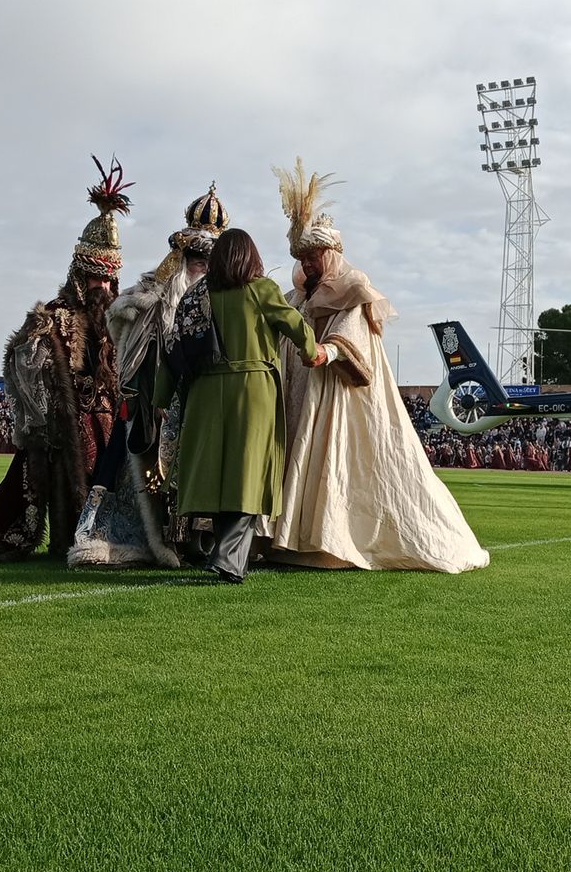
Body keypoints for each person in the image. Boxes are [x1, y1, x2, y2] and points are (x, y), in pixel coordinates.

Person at [269, 158, 491, 573]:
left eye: (314, 255)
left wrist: (329, 352)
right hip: (301, 391)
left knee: (342, 458)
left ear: (330, 253)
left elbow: (352, 335)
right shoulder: (297, 295)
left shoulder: (353, 287)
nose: (308, 264)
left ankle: (329, 541)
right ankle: (292, 541)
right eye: (303, 258)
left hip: (338, 393)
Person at [0, 157, 133, 562]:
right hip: (69, 421)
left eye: (111, 278)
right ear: (81, 275)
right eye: (99, 277)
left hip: (111, 414)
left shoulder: (118, 317)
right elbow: (24, 365)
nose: (105, 286)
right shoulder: (54, 317)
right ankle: (71, 537)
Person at [67, 183, 229, 568]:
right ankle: (145, 539)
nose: (201, 270)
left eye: (208, 263)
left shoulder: (224, 300)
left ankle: (201, 542)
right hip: (154, 405)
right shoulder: (156, 296)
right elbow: (123, 326)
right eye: (196, 261)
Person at [152, 227, 326, 584]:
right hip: (251, 391)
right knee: (247, 476)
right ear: (252, 257)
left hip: (204, 393)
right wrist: (313, 351)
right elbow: (294, 324)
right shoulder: (261, 289)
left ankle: (233, 560)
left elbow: (173, 348)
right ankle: (227, 559)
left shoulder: (196, 295)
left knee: (219, 476)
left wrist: (160, 397)